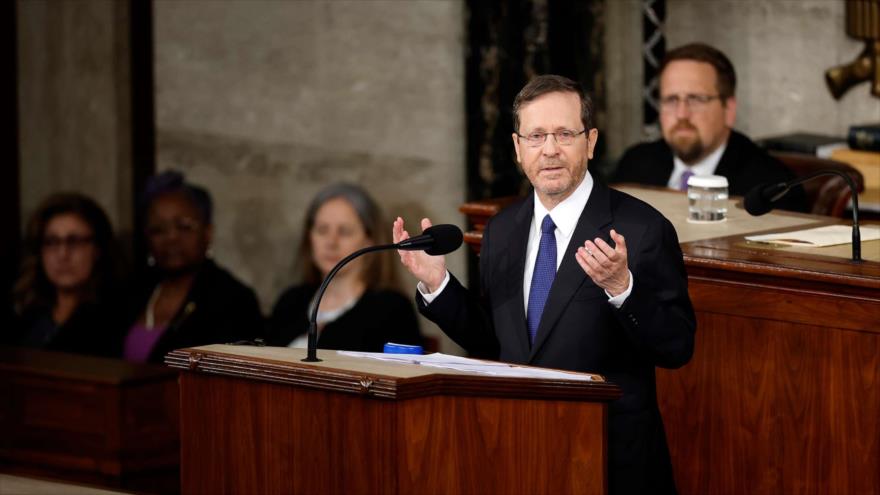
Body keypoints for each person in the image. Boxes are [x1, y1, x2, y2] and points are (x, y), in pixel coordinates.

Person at [393, 75, 695, 494]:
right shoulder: (501, 231)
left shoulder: (641, 229)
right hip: (518, 451)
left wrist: (622, 288)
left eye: (564, 134)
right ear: (518, 149)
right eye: (535, 136)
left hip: (610, 462)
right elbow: (493, 344)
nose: (549, 149)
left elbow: (677, 347)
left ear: (590, 142)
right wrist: (438, 283)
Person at [613, 42, 808, 213]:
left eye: (696, 99)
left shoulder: (769, 187)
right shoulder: (633, 167)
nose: (682, 114)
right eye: (671, 100)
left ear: (728, 109)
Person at [121, 171, 263, 363]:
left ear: (208, 232)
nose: (171, 238)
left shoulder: (233, 299)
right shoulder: (129, 291)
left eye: (184, 226)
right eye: (158, 229)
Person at [267, 183, 422, 352]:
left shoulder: (392, 310)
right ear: (309, 237)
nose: (331, 242)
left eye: (345, 232)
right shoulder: (291, 301)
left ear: (369, 240)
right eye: (322, 230)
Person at [6, 193, 125, 357]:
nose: (62, 254)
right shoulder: (25, 312)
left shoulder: (115, 319)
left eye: (74, 241)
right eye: (52, 242)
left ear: (97, 249)